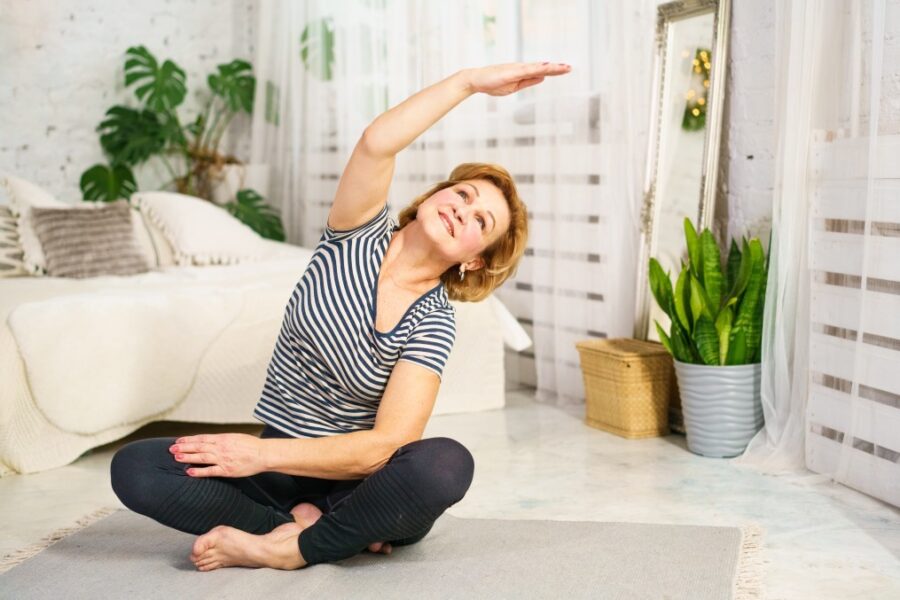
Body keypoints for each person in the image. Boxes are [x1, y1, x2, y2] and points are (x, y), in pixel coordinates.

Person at [110, 61, 571, 571]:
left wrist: (258, 454)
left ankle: (289, 547)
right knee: (137, 468)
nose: (465, 209)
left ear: (473, 259)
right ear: (435, 196)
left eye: (481, 220)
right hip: (277, 473)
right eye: (463, 193)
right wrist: (467, 83)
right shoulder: (356, 233)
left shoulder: (435, 321)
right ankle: (302, 533)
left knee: (444, 465)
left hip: (357, 485)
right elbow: (377, 142)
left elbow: (386, 447)